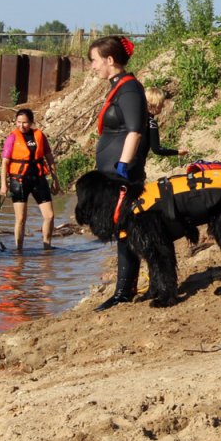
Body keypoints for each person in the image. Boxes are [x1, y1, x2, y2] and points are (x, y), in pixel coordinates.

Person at [88, 35, 149, 311]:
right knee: (121, 228)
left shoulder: (130, 89)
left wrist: (122, 167)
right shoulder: (118, 88)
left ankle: (124, 290)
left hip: (122, 174)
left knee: (127, 227)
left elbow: (135, 130)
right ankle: (123, 287)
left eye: (94, 61)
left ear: (109, 60)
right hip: (111, 173)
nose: (92, 67)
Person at [0, 108, 60, 250]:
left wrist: (56, 180)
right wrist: (3, 185)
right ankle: (19, 250)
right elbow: (5, 163)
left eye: (25, 123)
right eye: (18, 122)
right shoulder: (12, 137)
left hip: (38, 179)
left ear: (31, 122)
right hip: (19, 181)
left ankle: (47, 246)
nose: (21, 125)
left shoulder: (39, 135)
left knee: (49, 216)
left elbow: (49, 158)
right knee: (20, 219)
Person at [145, 86, 188, 158]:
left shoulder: (135, 117)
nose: (163, 105)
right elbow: (157, 149)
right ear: (155, 104)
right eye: (161, 103)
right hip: (135, 163)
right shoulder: (151, 123)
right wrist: (178, 152)